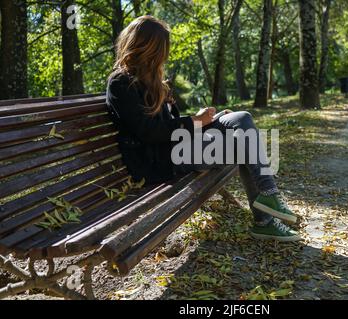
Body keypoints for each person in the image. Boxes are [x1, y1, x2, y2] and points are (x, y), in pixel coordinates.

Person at [106, 15, 301, 242]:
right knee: (244, 143)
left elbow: (170, 125)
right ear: (146, 49)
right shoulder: (120, 83)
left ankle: (270, 198)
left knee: (241, 119)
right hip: (157, 162)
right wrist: (195, 121)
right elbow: (148, 131)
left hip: (175, 149)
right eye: (161, 50)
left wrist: (209, 120)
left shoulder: (153, 81)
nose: (164, 56)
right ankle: (265, 218)